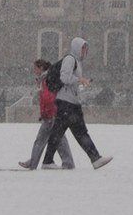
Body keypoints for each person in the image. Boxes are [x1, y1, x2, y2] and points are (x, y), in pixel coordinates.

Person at [40, 38, 113, 170]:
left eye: (86, 48)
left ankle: (48, 160)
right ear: (77, 47)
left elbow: (71, 81)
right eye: (83, 48)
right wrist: (80, 79)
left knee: (62, 132)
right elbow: (65, 78)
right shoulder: (70, 59)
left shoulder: (77, 62)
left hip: (70, 102)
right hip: (67, 103)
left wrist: (81, 83)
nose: (85, 51)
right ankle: (95, 158)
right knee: (77, 132)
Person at [19, 59, 74, 170]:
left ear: (41, 68)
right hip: (54, 113)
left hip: (51, 115)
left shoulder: (46, 79)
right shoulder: (44, 79)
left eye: (35, 68)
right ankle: (68, 162)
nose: (34, 71)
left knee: (40, 141)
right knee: (59, 139)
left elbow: (48, 98)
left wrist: (47, 113)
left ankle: (33, 163)